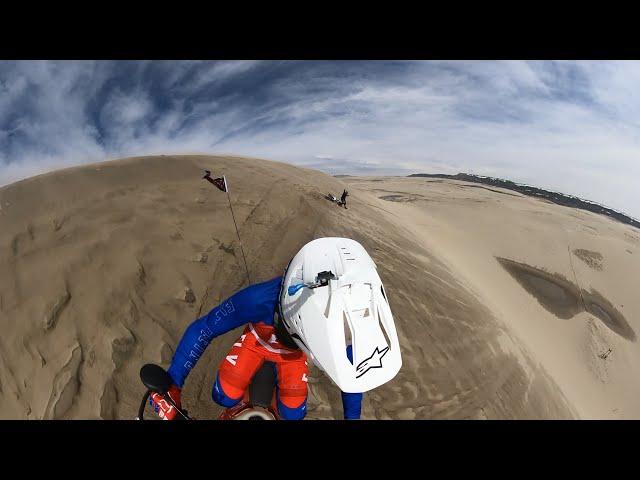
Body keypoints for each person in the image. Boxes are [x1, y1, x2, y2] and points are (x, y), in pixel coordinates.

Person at [150, 237, 402, 420]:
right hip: (262, 345)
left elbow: (354, 369)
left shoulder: (335, 311)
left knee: (261, 406)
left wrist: (174, 386)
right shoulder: (259, 299)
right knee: (227, 397)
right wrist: (172, 384)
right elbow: (205, 328)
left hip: (274, 348)